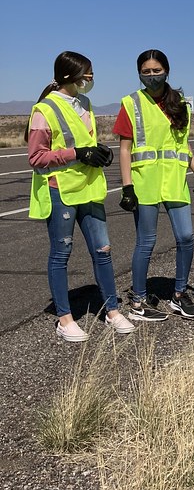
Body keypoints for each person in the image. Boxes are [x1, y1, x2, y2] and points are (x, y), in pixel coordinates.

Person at [26, 51, 135, 341]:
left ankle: (112, 310)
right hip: (61, 190)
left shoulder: (85, 103)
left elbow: (84, 141)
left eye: (91, 73)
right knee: (61, 254)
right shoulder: (44, 110)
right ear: (68, 75)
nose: (91, 78)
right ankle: (65, 318)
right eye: (86, 73)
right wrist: (77, 154)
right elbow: (36, 157)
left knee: (103, 251)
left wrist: (98, 151)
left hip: (89, 188)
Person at [113, 50, 194, 322]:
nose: (152, 76)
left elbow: (183, 143)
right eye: (146, 71)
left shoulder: (179, 104)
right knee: (146, 242)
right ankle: (139, 301)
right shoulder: (131, 103)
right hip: (145, 183)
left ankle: (179, 295)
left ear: (167, 70)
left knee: (186, 237)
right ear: (139, 73)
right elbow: (124, 148)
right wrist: (127, 186)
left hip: (175, 181)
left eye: (157, 70)